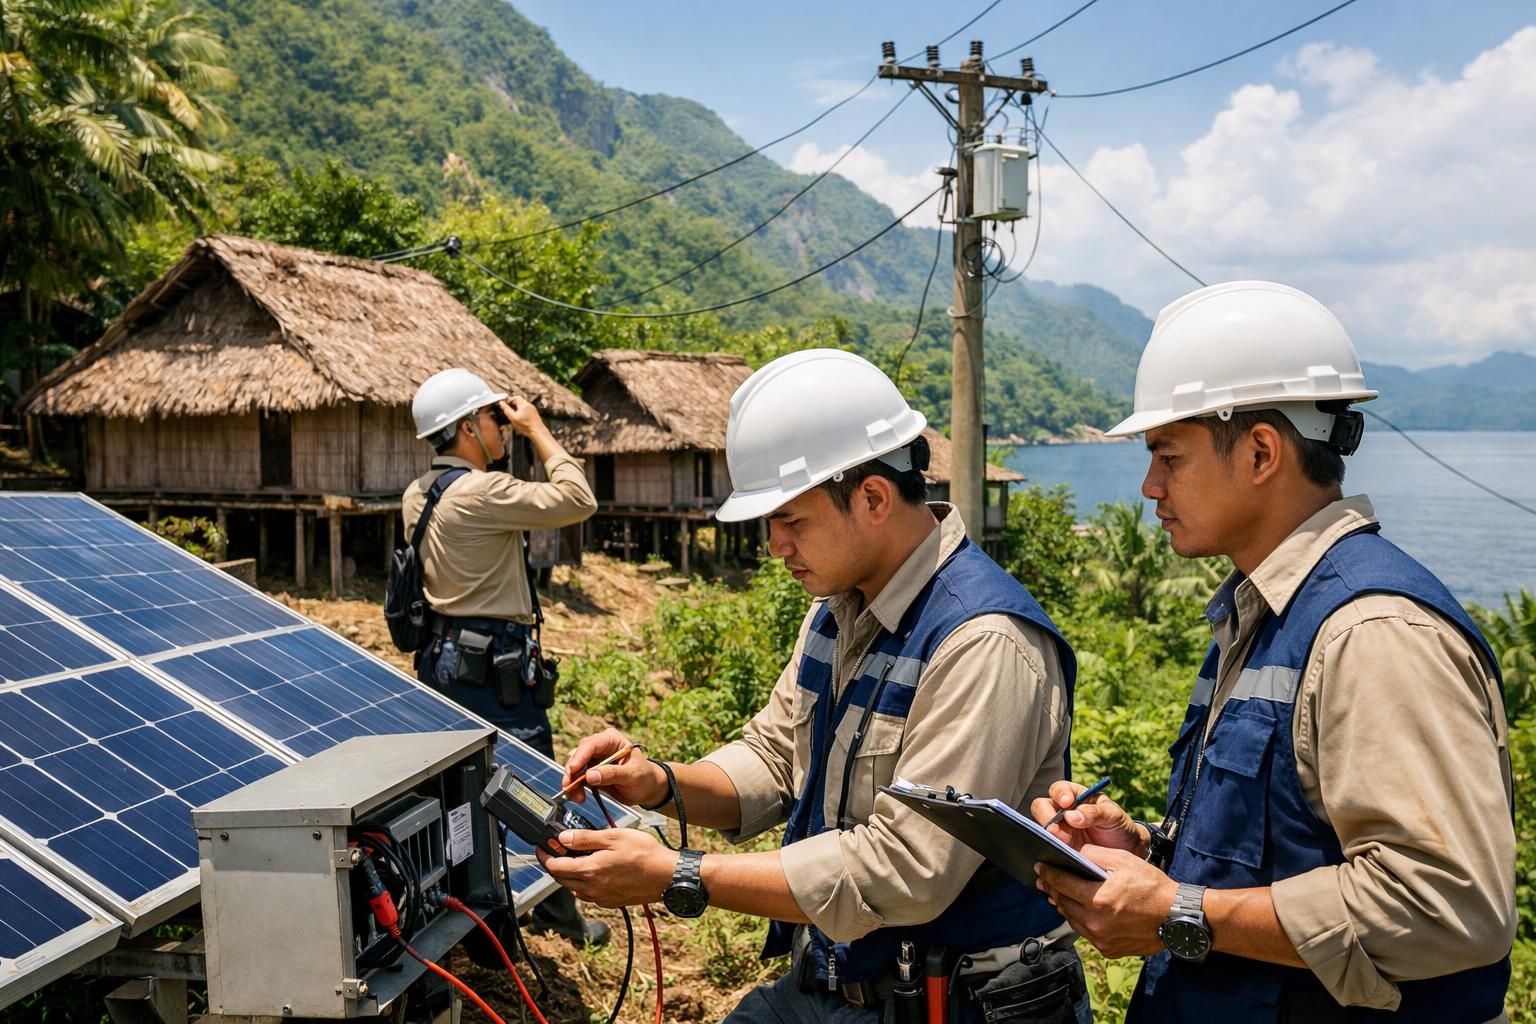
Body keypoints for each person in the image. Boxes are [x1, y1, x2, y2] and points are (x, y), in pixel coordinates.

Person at [540, 349, 1090, 1023]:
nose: (775, 545)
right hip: (835, 980)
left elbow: (905, 869)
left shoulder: (982, 642)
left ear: (873, 498)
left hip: (955, 1002)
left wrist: (677, 874)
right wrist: (659, 783)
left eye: (791, 521)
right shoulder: (837, 610)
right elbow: (775, 758)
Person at [1030, 281, 1515, 1022]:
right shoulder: (1265, 613)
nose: (1149, 486)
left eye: (1168, 456)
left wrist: (1178, 912)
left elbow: (1449, 909)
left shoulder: (1371, 633)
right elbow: (1282, 856)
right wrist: (1148, 852)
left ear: (1261, 452)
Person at [404, 367, 606, 946]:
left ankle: (477, 914)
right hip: (495, 667)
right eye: (495, 418)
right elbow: (579, 499)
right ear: (468, 426)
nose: (505, 427)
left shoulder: (418, 493)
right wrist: (538, 428)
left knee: (458, 790)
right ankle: (551, 914)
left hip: (442, 660)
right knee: (532, 783)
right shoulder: (483, 491)